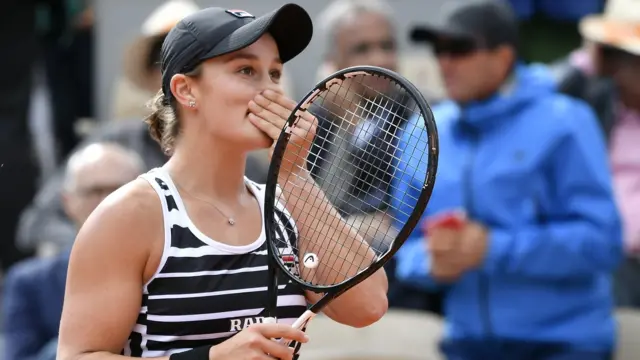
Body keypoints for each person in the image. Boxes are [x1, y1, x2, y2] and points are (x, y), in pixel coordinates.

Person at [57, 4, 388, 360]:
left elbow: (368, 306)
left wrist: (293, 173)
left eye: (274, 74)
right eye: (246, 70)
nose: (269, 91)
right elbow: (78, 356)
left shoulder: (286, 206)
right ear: (186, 90)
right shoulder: (133, 214)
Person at [392, 1, 621, 359]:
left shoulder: (566, 122)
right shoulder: (422, 131)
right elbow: (404, 250)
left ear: (503, 58)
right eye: (439, 50)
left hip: (566, 343)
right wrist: (430, 261)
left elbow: (603, 242)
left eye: (460, 49)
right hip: (467, 343)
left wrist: (493, 249)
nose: (445, 62)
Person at [3, 142, 144, 360]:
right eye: (94, 191)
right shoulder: (30, 282)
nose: (107, 200)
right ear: (68, 202)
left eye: (118, 189)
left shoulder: (172, 269)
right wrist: (84, 341)